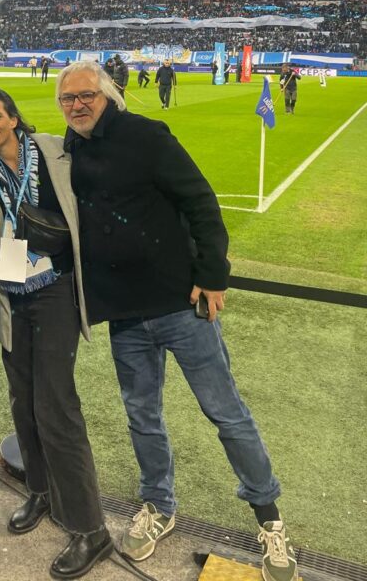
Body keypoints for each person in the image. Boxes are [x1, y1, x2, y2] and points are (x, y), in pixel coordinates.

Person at [56, 61, 298, 581]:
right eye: (67, 99)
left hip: (181, 305)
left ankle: (269, 518)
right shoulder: (69, 149)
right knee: (142, 415)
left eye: (86, 95)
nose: (77, 105)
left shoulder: (147, 136)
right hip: (124, 314)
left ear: (107, 95)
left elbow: (201, 201)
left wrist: (212, 275)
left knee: (226, 413)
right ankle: (158, 505)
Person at [0, 88, 112, 579]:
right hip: (12, 293)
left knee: (57, 405)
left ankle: (91, 528)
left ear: (14, 118)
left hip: (54, 290)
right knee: (22, 397)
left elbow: (105, 153)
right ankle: (40, 490)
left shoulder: (55, 148)